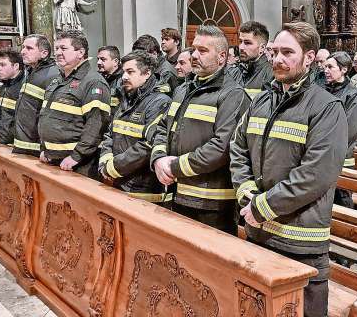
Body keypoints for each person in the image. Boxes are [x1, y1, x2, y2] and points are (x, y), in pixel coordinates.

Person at [230, 22, 347, 317]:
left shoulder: (326, 107)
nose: (278, 59)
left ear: (309, 58)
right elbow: (238, 148)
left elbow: (315, 175)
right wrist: (248, 196)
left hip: (300, 239)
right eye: (274, 52)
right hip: (259, 233)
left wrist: (263, 206)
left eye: (287, 53)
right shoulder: (262, 100)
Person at [151, 25, 249, 234]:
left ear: (222, 57)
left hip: (211, 204)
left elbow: (221, 147)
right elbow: (162, 128)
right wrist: (158, 158)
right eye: (194, 49)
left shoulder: (233, 94)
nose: (194, 55)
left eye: (203, 51)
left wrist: (175, 167)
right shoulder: (183, 89)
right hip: (175, 193)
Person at [99, 51, 172, 204]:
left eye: (130, 72)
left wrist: (113, 167)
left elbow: (148, 145)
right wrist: (105, 161)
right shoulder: (127, 98)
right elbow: (110, 133)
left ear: (147, 73)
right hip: (118, 181)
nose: (124, 76)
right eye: (123, 71)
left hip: (144, 189)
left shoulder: (160, 102)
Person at [38, 30, 111, 178]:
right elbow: (47, 117)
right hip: (52, 159)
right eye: (57, 48)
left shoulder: (92, 81)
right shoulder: (57, 80)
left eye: (64, 48)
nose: (58, 52)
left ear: (80, 52)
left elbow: (96, 125)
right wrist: (45, 149)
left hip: (77, 164)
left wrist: (76, 156)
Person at [323, 51, 357, 205]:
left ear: (344, 69)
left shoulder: (353, 95)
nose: (325, 70)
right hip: (322, 156)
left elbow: (348, 131)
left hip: (341, 158)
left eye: (330, 67)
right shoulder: (323, 90)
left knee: (341, 199)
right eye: (325, 66)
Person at [13, 34, 59, 156]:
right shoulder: (31, 71)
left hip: (38, 148)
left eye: (29, 48)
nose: (22, 52)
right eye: (23, 47)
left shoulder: (53, 75)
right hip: (24, 144)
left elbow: (52, 116)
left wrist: (47, 148)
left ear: (44, 53)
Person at [226, 21, 274, 99]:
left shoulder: (271, 75)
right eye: (240, 41)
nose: (241, 47)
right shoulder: (233, 73)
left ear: (262, 48)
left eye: (247, 43)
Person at [0, 48, 24, 145]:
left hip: (18, 143)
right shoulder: (5, 85)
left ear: (16, 66)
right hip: (5, 141)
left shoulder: (24, 86)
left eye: (2, 65)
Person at [97, 45, 123, 115]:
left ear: (115, 61)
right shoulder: (96, 79)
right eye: (98, 59)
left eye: (103, 59)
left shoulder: (123, 81)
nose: (98, 62)